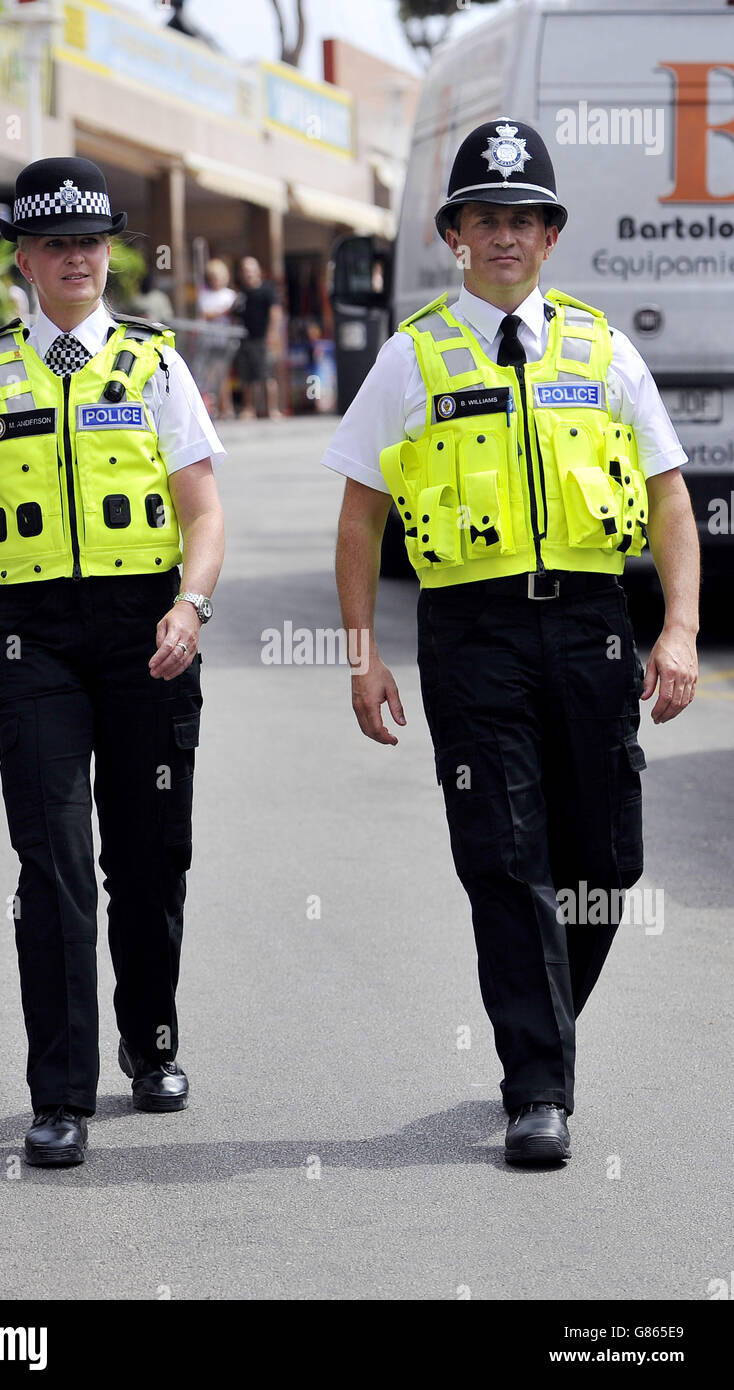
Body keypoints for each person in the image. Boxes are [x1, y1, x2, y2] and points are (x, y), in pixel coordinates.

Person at [322, 119, 699, 1166]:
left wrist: (677, 627)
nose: (502, 235)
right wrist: (361, 650)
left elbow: (670, 501)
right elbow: (359, 514)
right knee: (504, 857)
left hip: (589, 627)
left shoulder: (600, 348)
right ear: (454, 234)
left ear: (549, 234)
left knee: (605, 865)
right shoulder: (413, 358)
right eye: (482, 218)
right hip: (472, 634)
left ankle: (545, 1033)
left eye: (520, 218)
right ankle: (537, 1085)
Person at [0, 156, 225, 1167]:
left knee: (147, 855)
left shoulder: (155, 366)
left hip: (147, 629)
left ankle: (151, 1047)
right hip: (34, 639)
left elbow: (202, 508)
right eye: (55, 242)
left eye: (91, 240)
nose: (76, 257)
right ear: (22, 256)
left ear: (110, 251)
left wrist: (190, 606)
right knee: (51, 861)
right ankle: (59, 1091)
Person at [234, 256, 283, 419]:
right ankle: (249, 409)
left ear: (258, 271)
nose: (248, 273)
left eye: (251, 269)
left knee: (267, 375)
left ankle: (273, 409)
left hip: (263, 339)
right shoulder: (241, 294)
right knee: (247, 377)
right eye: (245, 270)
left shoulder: (267, 290)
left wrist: (272, 333)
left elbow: (275, 312)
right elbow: (235, 314)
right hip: (245, 339)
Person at [197, 259, 237, 419]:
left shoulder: (230, 294)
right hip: (209, 341)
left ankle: (227, 407)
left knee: (224, 376)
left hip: (226, 341)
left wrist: (219, 313)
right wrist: (223, 312)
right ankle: (215, 408)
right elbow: (205, 314)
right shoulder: (204, 294)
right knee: (210, 376)